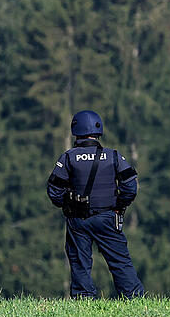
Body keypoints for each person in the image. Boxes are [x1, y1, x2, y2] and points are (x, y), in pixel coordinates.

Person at [46, 110, 144, 298]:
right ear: (98, 130)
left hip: (78, 220)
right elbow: (130, 186)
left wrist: (66, 206)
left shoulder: (68, 158)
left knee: (79, 261)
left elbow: (54, 191)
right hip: (108, 217)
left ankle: (84, 300)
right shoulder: (113, 156)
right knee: (120, 261)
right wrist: (119, 205)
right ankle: (133, 298)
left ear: (76, 130)